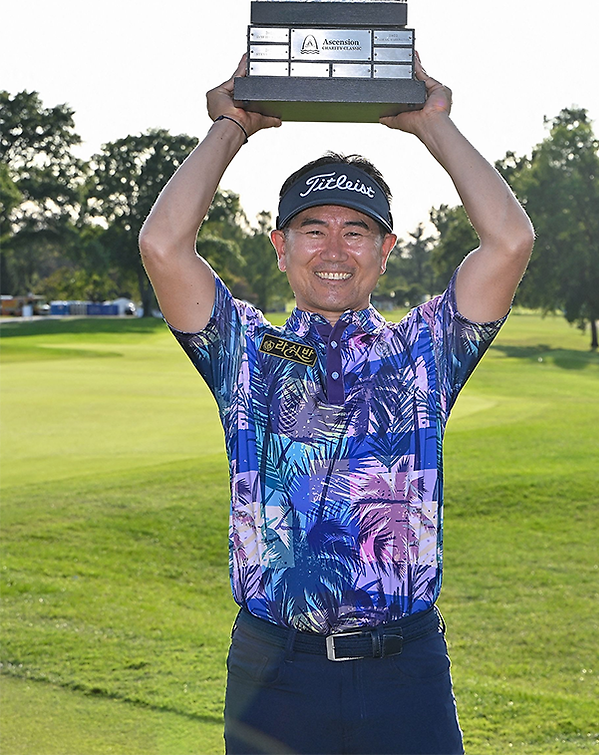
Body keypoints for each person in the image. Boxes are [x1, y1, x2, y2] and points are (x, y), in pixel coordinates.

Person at [139, 53, 534, 755]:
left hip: (404, 672)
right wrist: (230, 127)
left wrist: (433, 125)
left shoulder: (421, 352)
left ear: (384, 250)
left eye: (355, 230)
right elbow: (163, 244)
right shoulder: (246, 351)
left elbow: (511, 239)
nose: (333, 248)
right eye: (312, 227)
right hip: (275, 673)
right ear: (281, 246)